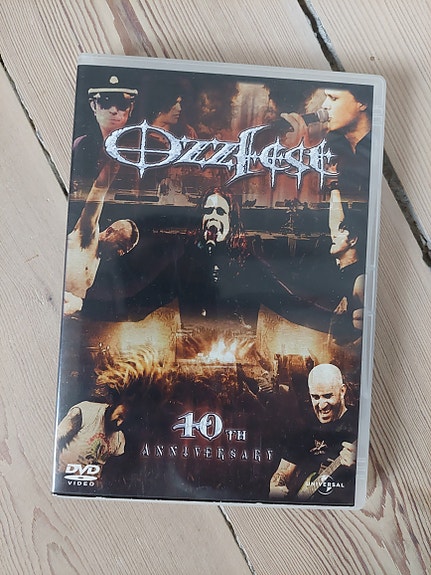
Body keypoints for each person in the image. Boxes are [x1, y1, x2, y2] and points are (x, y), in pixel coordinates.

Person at [269, 363, 357, 504]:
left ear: (342, 391)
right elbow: (283, 472)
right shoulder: (305, 425)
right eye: (315, 397)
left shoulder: (358, 424)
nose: (321, 405)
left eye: (327, 396)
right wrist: (275, 489)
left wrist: (361, 465)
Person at [64, 162, 139, 315]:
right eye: (120, 246)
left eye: (124, 251)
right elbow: (99, 190)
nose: (120, 253)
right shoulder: (87, 236)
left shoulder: (97, 259)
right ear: (110, 231)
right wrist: (114, 163)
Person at [71, 74, 138, 192]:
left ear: (131, 107)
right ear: (93, 106)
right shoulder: (81, 145)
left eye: (122, 103)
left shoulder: (139, 149)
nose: (113, 110)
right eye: (105, 102)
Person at [322, 85, 373, 199]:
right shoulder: (329, 146)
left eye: (333, 98)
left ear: (362, 103)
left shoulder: (377, 148)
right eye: (326, 97)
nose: (324, 105)